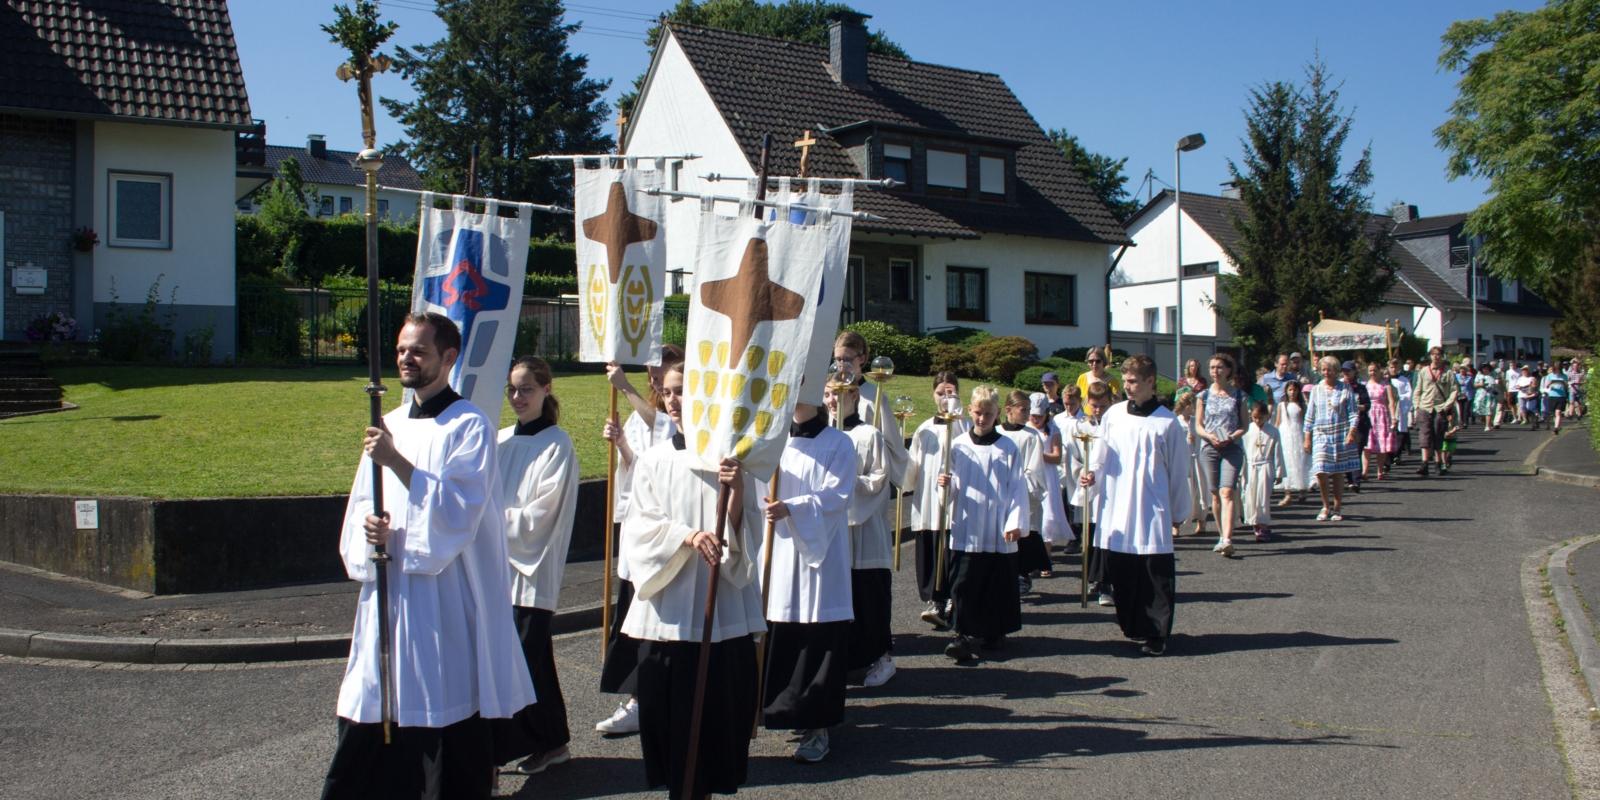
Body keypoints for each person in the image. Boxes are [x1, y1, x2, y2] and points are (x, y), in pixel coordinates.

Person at [322, 312, 535, 800]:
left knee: (439, 716)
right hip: (389, 594)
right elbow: (361, 504)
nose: (405, 358)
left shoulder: (469, 426)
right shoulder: (389, 424)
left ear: (449, 358)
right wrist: (369, 531)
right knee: (373, 705)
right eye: (401, 349)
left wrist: (396, 460)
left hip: (441, 602)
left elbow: (458, 512)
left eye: (417, 350)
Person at [621, 362, 764, 799]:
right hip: (666, 613)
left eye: (682, 391)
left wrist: (737, 489)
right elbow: (639, 527)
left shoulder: (730, 458)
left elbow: (744, 534)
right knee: (670, 722)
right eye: (667, 393)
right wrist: (686, 535)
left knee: (715, 724)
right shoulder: (653, 459)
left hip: (717, 611)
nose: (674, 401)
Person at [493, 356, 580, 776]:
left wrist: (489, 520)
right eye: (511, 388)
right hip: (494, 570)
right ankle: (551, 740)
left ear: (546, 390)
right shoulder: (501, 439)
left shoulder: (557, 445)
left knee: (528, 661)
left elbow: (539, 519)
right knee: (522, 661)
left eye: (526, 388)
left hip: (531, 569)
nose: (517, 397)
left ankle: (540, 742)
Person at [596, 345, 686, 736]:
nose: (654, 382)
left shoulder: (670, 416)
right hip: (638, 526)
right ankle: (637, 695)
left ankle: (648, 696)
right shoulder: (641, 413)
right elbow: (636, 466)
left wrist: (625, 386)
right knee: (631, 616)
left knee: (654, 617)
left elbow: (662, 428)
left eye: (660, 374)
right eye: (651, 374)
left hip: (667, 531)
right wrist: (620, 443)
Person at [761, 399, 856, 764]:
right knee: (780, 633)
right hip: (779, 553)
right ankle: (782, 712)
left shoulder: (839, 443)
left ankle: (818, 726)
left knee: (818, 638)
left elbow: (837, 496)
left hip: (822, 558)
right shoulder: (774, 441)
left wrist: (792, 507)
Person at [1078, 355, 1193, 657]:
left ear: (1150, 382)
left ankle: (1156, 632)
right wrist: (1092, 474)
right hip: (1118, 503)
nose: (1127, 386)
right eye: (1126, 381)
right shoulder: (1114, 415)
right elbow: (1103, 455)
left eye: (1133, 381)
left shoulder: (1167, 422)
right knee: (1123, 569)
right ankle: (1133, 624)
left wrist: (1179, 513)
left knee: (1153, 571)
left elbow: (1178, 471)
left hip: (1151, 505)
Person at [937, 385, 1029, 662]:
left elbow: (1017, 487)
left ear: (997, 413)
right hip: (968, 525)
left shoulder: (1008, 448)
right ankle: (960, 633)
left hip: (998, 526)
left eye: (988, 413)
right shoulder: (958, 446)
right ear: (970, 411)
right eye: (978, 412)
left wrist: (1015, 521)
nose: (982, 418)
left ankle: (994, 631)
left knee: (995, 582)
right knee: (964, 582)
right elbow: (948, 491)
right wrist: (944, 485)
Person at [823, 380, 895, 689]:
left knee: (868, 596)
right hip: (832, 532)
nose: (832, 401)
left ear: (854, 396)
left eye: (839, 395)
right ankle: (846, 659)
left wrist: (848, 483)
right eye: (827, 394)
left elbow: (879, 479)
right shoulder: (822, 437)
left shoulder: (869, 434)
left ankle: (880, 657)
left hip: (863, 529)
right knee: (840, 599)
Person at [904, 372, 969, 629]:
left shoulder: (964, 426)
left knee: (952, 551)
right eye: (941, 393)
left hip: (955, 501)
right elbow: (913, 465)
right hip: (929, 501)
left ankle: (954, 598)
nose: (945, 398)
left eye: (950, 392)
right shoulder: (924, 429)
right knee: (931, 550)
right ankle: (935, 600)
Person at [1066, 382, 1117, 604]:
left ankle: (1106, 581)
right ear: (1087, 404)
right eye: (1094, 406)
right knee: (1090, 534)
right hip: (1088, 487)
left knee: (1106, 536)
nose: (1098, 411)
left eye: (1103, 406)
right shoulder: (1080, 428)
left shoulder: (1116, 427)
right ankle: (1092, 576)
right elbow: (1072, 458)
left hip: (1109, 488)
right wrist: (1082, 473)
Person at [1193, 353, 1248, 557]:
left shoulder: (1239, 395)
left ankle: (1227, 538)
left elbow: (1245, 425)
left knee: (1228, 491)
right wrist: (1209, 436)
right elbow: (1198, 425)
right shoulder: (1203, 396)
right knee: (1215, 493)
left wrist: (1232, 437)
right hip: (1209, 447)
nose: (1215, 371)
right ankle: (1221, 533)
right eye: (1212, 367)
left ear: (1228, 370)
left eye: (1219, 367)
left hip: (1231, 447)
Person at [999, 390, 1049, 594]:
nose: (1028, 414)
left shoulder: (1031, 435)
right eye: (1024, 409)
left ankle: (1022, 574)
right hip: (1000, 493)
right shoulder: (998, 433)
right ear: (1008, 409)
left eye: (1029, 409)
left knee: (1023, 536)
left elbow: (1035, 468)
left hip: (1023, 492)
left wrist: (1020, 485)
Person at [1303, 355, 1360, 522]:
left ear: (1336, 371)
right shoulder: (1316, 389)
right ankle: (1325, 504)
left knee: (1337, 472)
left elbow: (1353, 413)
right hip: (1321, 434)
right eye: (1324, 370)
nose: (1326, 373)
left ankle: (1337, 506)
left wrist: (1351, 432)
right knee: (1320, 470)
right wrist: (1307, 437)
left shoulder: (1345, 389)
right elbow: (1310, 415)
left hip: (1340, 433)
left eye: (1330, 370)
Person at [1026, 392, 1071, 575]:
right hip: (1030, 475)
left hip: (1047, 475)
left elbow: (1057, 456)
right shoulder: (1026, 429)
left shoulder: (1053, 430)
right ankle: (1030, 560)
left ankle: (1046, 558)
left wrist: (1040, 455)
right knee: (1031, 517)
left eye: (1039, 416)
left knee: (1047, 517)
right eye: (1033, 415)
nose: (1035, 419)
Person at [1240, 401, 1284, 543]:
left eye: (1261, 418)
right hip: (1250, 466)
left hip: (1265, 465)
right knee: (1250, 495)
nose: (1258, 421)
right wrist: (1240, 471)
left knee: (1263, 496)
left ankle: (1263, 525)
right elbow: (1242, 451)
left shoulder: (1273, 431)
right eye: (1255, 417)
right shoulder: (1246, 430)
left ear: (1266, 416)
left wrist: (1279, 471)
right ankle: (1255, 522)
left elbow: (1278, 452)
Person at [1413, 347, 1460, 477]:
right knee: (1424, 435)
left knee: (1439, 435)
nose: (1436, 357)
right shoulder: (1424, 371)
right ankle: (1424, 463)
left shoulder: (1448, 373)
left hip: (1440, 407)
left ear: (1442, 356)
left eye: (1438, 354)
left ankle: (1438, 463)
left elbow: (1454, 390)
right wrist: (1417, 406)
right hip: (1425, 406)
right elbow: (1418, 389)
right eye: (1433, 354)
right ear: (1430, 356)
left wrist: (1447, 405)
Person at [1171, 391, 1211, 535]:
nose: (1191, 408)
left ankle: (1202, 521)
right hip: (1184, 460)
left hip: (1198, 459)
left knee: (1201, 490)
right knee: (1183, 491)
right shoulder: (1176, 421)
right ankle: (1176, 525)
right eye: (1188, 405)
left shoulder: (1198, 421)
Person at [1274, 379, 1311, 506]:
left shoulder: (1302, 405)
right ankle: (1288, 492)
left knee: (1300, 461)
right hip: (1285, 435)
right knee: (1287, 462)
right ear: (1286, 391)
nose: (1292, 392)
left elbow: (1305, 421)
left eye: (1295, 390)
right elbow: (1278, 422)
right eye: (1290, 390)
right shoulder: (1282, 405)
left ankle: (1302, 490)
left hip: (1298, 434)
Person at [1363, 362, 1398, 481]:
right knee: (1367, 445)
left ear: (1379, 371)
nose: (1372, 373)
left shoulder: (1386, 385)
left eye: (1374, 370)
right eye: (1370, 371)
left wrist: (1393, 417)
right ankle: (1365, 471)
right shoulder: (1365, 385)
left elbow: (1391, 402)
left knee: (1381, 444)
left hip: (1382, 415)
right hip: (1369, 414)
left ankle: (1380, 470)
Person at [1343, 361, 1371, 492]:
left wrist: (1356, 407)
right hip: (1344, 424)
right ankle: (1349, 480)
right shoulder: (1340, 387)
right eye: (1344, 371)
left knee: (1356, 452)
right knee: (1346, 452)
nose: (1346, 374)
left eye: (1349, 371)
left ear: (1354, 372)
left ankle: (1356, 481)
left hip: (1359, 424)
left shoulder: (1360, 388)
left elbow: (1367, 405)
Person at [1389, 358, 1414, 462]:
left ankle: (1397, 454)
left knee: (1401, 430)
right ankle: (1389, 454)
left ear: (1399, 367)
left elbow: (1409, 393)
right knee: (1389, 431)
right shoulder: (1386, 380)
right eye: (1391, 367)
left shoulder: (1404, 380)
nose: (1393, 369)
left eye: (1395, 367)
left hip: (1400, 407)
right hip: (1389, 408)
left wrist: (1401, 398)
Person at [1541, 361, 1570, 435]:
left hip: (1561, 396)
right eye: (1556, 369)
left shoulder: (1564, 376)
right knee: (1554, 413)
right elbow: (1546, 386)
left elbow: (1567, 387)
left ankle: (1556, 428)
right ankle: (1557, 425)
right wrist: (1550, 384)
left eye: (1559, 369)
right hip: (1552, 395)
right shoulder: (1550, 376)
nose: (1557, 370)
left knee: (1558, 412)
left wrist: (1565, 384)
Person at [1473, 363, 1502, 432]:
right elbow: (1475, 385)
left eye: (1487, 368)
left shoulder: (1492, 375)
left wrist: (1497, 384)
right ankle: (1487, 422)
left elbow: (1496, 383)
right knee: (1479, 411)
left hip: (1490, 395)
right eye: (1484, 368)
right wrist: (1480, 384)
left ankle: (1487, 426)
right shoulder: (1479, 376)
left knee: (1489, 410)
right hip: (1480, 396)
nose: (1485, 370)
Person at [1515, 365, 1540, 431]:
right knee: (1522, 407)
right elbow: (1517, 386)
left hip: (1530, 395)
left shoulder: (1532, 378)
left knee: (1530, 408)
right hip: (1521, 395)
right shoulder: (1520, 378)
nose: (1524, 371)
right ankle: (1525, 419)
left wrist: (1525, 387)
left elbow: (1534, 386)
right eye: (1523, 370)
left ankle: (1535, 420)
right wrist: (1520, 387)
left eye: (1526, 370)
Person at [1438, 405, 1461, 473]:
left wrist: (1454, 430)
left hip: (1452, 436)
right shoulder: (1440, 416)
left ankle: (1449, 457)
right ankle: (1444, 464)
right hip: (1443, 436)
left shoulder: (1454, 414)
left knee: (1452, 449)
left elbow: (1457, 425)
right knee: (1444, 449)